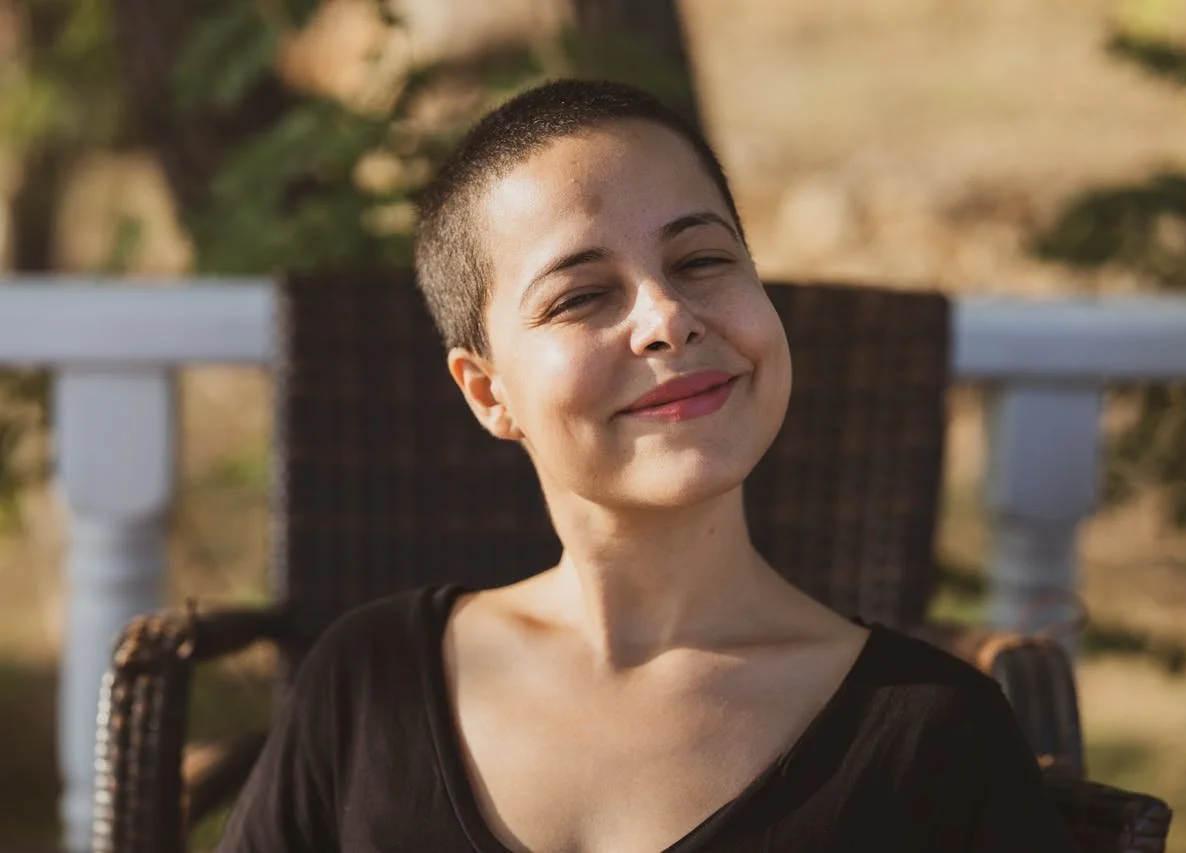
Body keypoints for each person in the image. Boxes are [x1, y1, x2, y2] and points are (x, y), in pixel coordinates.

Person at [219, 78, 1074, 852]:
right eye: (582, 295)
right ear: (488, 393)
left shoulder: (934, 734)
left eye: (702, 261)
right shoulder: (372, 684)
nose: (667, 317)